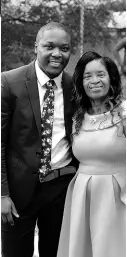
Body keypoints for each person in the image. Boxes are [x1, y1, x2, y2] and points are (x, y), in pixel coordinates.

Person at [1, 21, 78, 257]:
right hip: (18, 191)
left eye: (64, 48)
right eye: (49, 46)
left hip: (61, 189)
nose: (57, 54)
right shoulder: (8, 82)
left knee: (56, 252)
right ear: (36, 47)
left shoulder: (74, 86)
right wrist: (2, 194)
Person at [57, 51, 126, 257]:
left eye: (100, 74)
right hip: (82, 194)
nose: (94, 81)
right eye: (87, 76)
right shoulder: (76, 116)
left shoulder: (124, 112)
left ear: (111, 79)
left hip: (118, 195)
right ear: (80, 82)